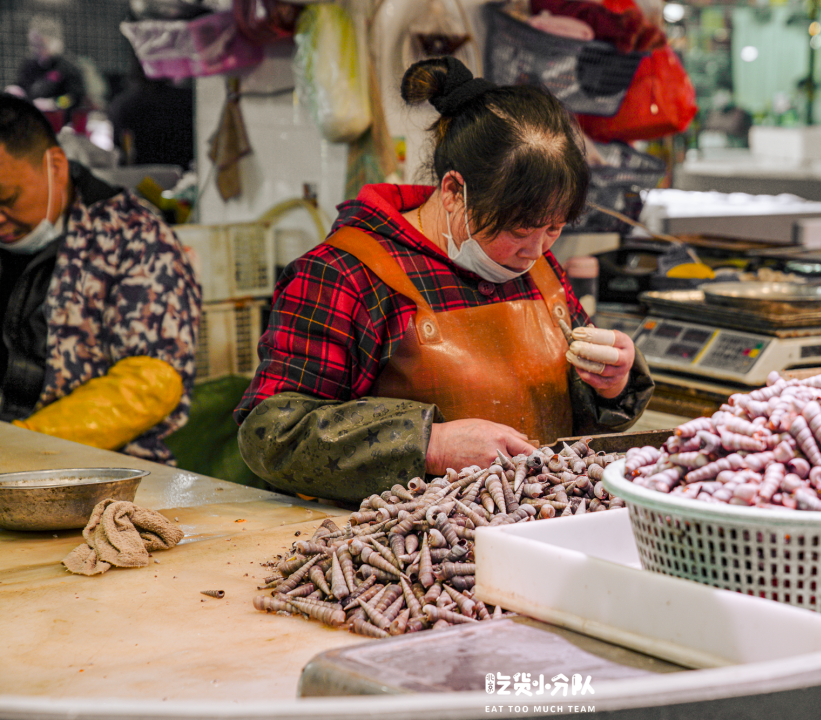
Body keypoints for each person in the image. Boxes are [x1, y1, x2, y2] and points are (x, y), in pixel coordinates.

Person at [235, 57, 654, 504]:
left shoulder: (538, 266)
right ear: (454, 191)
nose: (536, 250)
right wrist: (429, 445)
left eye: (554, 228)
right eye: (519, 229)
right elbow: (272, 434)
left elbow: (567, 413)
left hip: (539, 529)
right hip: (408, 553)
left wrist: (612, 383)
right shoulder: (346, 273)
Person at [0, 93, 201, 464]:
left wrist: (23, 444)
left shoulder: (135, 237)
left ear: (55, 165)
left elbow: (152, 380)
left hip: (98, 476)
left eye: (7, 198)